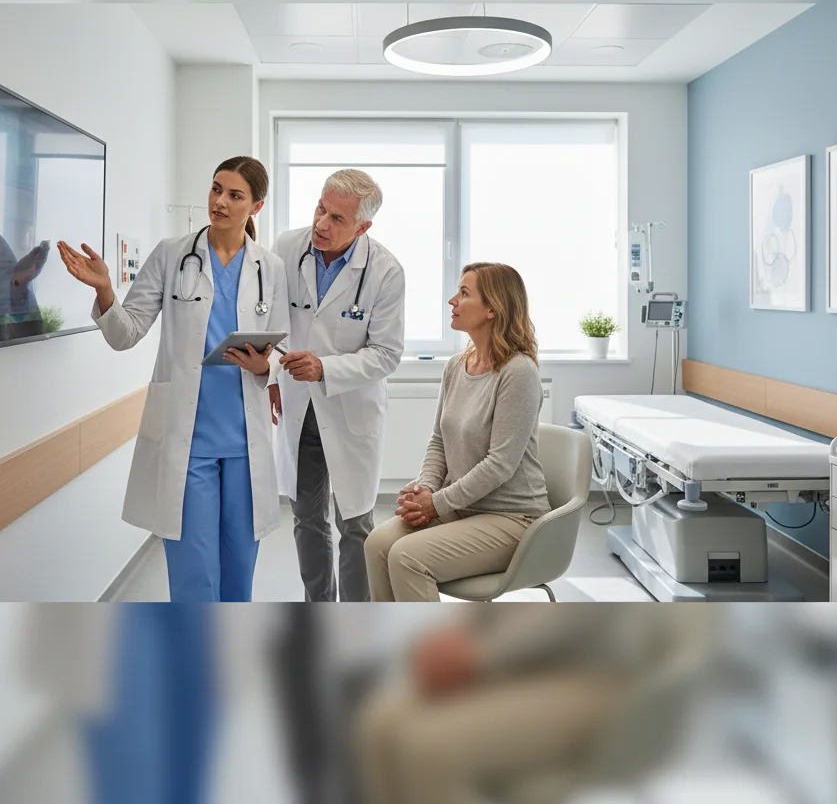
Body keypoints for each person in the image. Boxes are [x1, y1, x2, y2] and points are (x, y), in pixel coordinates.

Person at [57, 156, 288, 602]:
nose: (219, 201)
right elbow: (126, 334)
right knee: (195, 576)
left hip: (245, 440)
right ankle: (193, 662)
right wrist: (105, 290)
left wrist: (267, 366)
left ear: (255, 207)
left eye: (234, 195)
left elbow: (279, 348)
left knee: (240, 572)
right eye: (216, 188)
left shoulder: (269, 268)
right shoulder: (171, 254)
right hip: (190, 443)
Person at [353, 606, 709, 804]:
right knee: (378, 724)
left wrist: (479, 655)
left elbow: (577, 615)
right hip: (510, 659)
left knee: (425, 749)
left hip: (590, 671)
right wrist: (451, 638)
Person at [365, 262, 549, 602]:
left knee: (407, 558)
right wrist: (425, 488)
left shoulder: (518, 372)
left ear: (493, 308)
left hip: (511, 518)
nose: (452, 300)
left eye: (464, 293)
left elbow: (500, 464)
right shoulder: (456, 366)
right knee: (377, 544)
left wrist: (435, 503)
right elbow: (439, 441)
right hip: (460, 508)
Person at [270, 169, 405, 602]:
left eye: (337, 218)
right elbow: (270, 324)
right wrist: (274, 375)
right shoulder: (287, 249)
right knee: (306, 517)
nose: (321, 224)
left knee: (355, 524)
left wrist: (325, 369)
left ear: (363, 226)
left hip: (349, 409)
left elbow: (387, 354)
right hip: (298, 406)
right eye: (320, 209)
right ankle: (319, 608)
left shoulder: (385, 272)